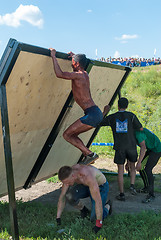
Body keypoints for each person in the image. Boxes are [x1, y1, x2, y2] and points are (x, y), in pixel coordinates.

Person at [49, 48, 103, 165]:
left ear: (77, 64)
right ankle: (88, 154)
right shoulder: (84, 74)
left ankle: (90, 154)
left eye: (73, 63)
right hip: (94, 113)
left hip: (92, 114)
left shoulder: (78, 75)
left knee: (67, 135)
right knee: (72, 135)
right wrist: (74, 56)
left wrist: (53, 56)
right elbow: (81, 62)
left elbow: (60, 74)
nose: (71, 65)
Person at [100, 97, 142, 201]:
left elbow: (99, 122)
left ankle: (122, 194)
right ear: (127, 106)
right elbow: (140, 128)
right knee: (132, 167)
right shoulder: (131, 116)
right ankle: (132, 186)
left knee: (120, 170)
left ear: (118, 106)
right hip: (131, 146)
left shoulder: (112, 117)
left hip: (119, 148)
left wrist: (105, 111)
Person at [56, 164, 112, 234]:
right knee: (69, 196)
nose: (67, 185)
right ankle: (84, 211)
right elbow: (62, 196)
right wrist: (58, 218)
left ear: (73, 176)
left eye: (68, 182)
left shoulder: (87, 176)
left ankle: (108, 205)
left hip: (100, 186)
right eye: (65, 183)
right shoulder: (69, 173)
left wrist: (98, 224)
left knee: (94, 218)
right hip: (85, 185)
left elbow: (98, 201)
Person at [135, 128, 161, 203]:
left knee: (148, 170)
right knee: (141, 169)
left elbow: (143, 147)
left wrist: (139, 162)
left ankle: (151, 194)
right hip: (151, 149)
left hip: (156, 149)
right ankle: (146, 188)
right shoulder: (134, 131)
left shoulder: (138, 133)